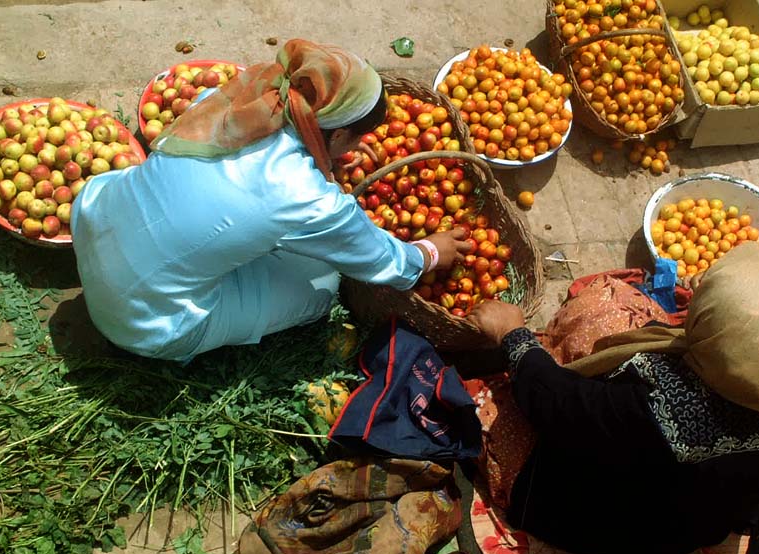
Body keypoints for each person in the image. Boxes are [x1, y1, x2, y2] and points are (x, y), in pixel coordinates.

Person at [71, 39, 468, 362]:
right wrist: (430, 253)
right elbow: (384, 264)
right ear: (340, 133)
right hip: (143, 321)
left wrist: (326, 159)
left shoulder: (230, 100)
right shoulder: (302, 194)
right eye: (357, 137)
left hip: (95, 224)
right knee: (322, 283)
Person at [465, 242, 759, 554]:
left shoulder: (664, 411)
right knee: (608, 306)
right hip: (691, 509)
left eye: (708, 301)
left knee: (480, 405)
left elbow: (556, 407)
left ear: (717, 341)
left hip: (611, 520)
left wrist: (511, 336)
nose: (699, 282)